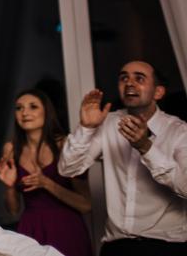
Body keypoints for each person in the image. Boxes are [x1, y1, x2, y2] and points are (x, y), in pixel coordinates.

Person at [58, 61, 187, 254]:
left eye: (139, 78)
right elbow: (68, 169)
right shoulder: (108, 123)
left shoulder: (179, 132)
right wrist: (86, 128)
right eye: (123, 78)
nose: (129, 83)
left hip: (166, 246)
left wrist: (146, 147)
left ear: (158, 92)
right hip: (117, 247)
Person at [0, 89, 91, 256]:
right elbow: (13, 210)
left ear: (47, 111)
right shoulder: (11, 149)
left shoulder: (65, 145)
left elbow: (85, 205)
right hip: (31, 229)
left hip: (66, 228)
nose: (25, 113)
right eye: (19, 108)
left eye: (33, 106)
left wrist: (47, 183)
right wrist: (9, 187)